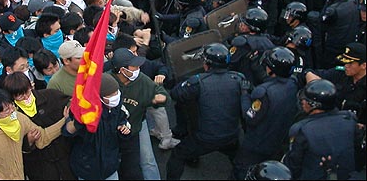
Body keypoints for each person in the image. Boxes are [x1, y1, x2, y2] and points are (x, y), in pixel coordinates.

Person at [167, 43, 245, 180]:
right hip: (231, 134)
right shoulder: (239, 78)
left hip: (204, 138)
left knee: (177, 155)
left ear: (206, 63)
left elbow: (175, 94)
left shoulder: (198, 82)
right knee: (240, 163)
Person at [232, 47, 299, 179]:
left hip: (256, 143)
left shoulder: (263, 92)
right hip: (277, 141)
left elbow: (250, 117)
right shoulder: (293, 83)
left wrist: (245, 94)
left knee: (241, 171)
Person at [283, 79, 362, 179]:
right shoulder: (349, 119)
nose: (303, 102)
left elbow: (293, 166)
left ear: (315, 105)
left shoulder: (302, 129)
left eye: (306, 100)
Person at [109, 48, 169, 180]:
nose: (137, 68)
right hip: (110, 134)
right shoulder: (107, 81)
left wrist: (161, 98)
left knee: (138, 166)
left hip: (134, 131)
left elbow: (159, 93)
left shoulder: (142, 80)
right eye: (134, 66)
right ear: (122, 70)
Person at [0, 89, 66, 179]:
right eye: (7, 110)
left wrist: (65, 121)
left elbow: (42, 137)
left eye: (12, 105)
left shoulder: (19, 119)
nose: (12, 110)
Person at [3, 72, 73, 180]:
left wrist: (69, 116)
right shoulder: (13, 116)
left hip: (65, 157)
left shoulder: (50, 95)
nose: (26, 97)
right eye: (20, 95)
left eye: (27, 92)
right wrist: (28, 142)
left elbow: (69, 102)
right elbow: (14, 145)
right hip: (40, 167)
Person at [63, 73, 130, 180]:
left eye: (116, 92)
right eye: (110, 95)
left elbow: (123, 124)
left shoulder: (118, 108)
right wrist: (73, 122)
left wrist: (123, 129)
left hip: (110, 167)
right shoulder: (85, 112)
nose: (115, 97)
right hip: (87, 169)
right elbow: (68, 132)